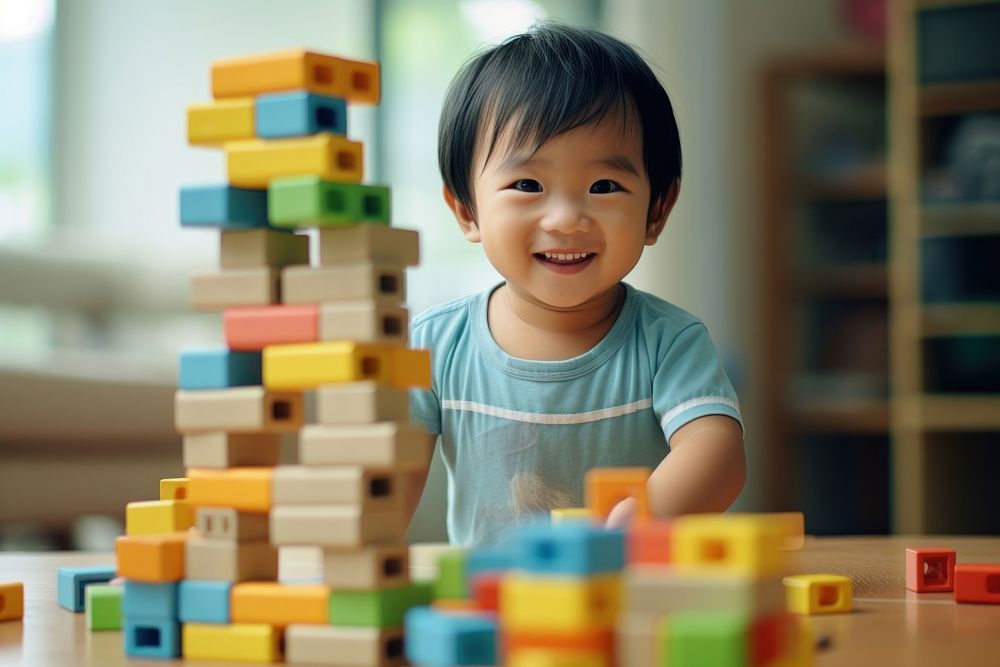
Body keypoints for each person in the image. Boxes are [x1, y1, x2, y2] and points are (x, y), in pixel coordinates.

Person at [408, 22, 745, 546]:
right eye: (528, 185)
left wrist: (645, 518)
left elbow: (717, 453)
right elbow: (385, 485)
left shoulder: (668, 342)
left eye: (604, 186)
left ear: (657, 210)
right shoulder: (434, 345)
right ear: (467, 210)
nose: (566, 219)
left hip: (626, 602)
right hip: (491, 612)